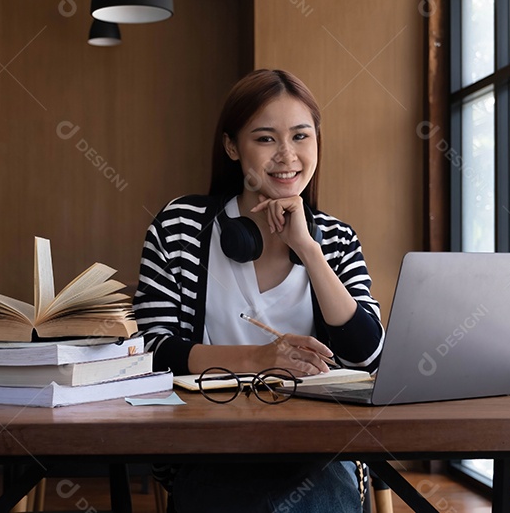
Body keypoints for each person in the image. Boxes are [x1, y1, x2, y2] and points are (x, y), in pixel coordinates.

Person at [133, 69, 386, 512]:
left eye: (301, 137)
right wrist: (259, 360)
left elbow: (366, 355)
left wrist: (309, 251)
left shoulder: (336, 238)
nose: (287, 155)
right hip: (209, 444)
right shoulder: (181, 227)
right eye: (266, 139)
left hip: (318, 448)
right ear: (232, 147)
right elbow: (151, 351)